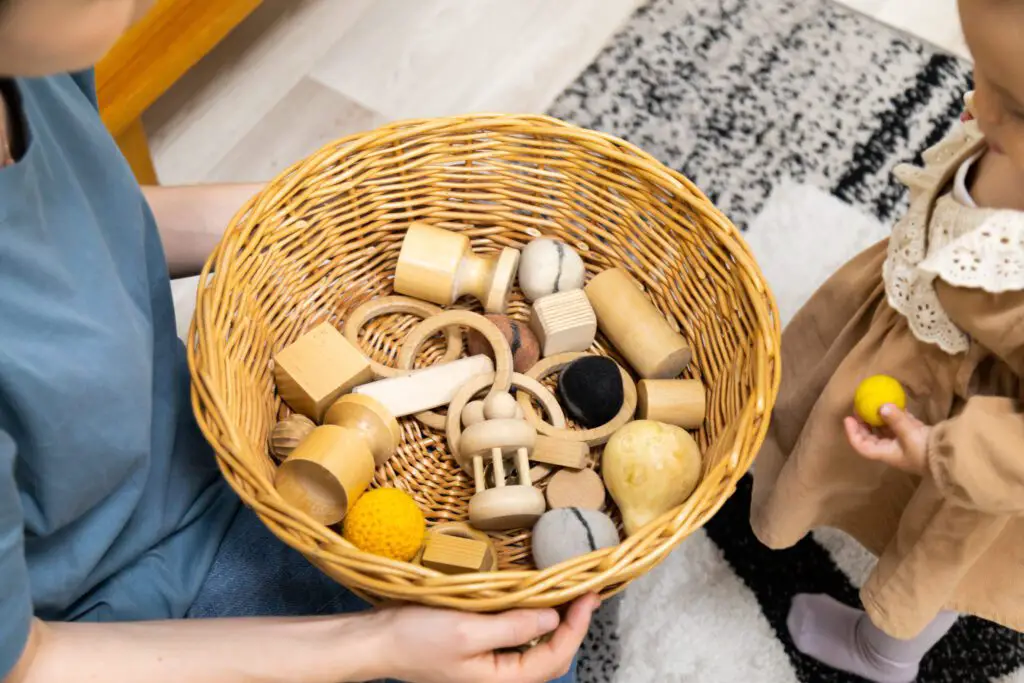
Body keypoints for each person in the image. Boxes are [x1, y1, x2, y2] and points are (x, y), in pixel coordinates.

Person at [0, 2, 597, 682]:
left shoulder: (31, 52)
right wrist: (377, 644)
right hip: (110, 616)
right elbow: (25, 661)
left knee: (529, 624)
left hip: (219, 452)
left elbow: (68, 225)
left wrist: (317, 212)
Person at [749, 0, 1024, 681]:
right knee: (820, 433)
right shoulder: (997, 117)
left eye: (1016, 107)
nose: (981, 110)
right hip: (921, 323)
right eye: (979, 73)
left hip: (986, 447)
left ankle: (885, 651)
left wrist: (945, 450)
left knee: (939, 556)